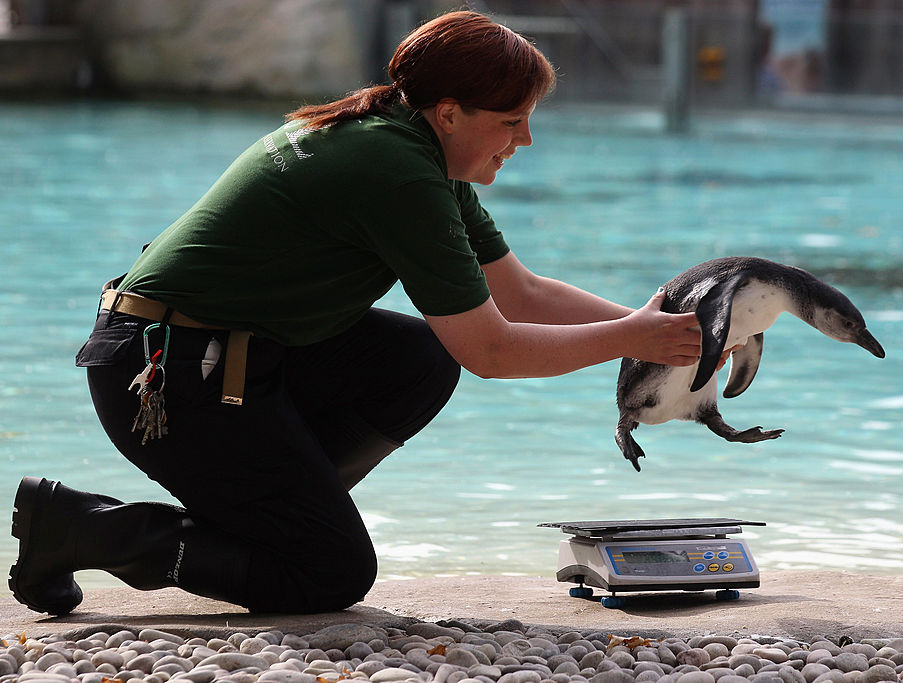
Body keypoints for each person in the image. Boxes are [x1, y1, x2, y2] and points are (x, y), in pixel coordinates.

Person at [9, 10, 716, 616]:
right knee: (330, 572)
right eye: (512, 121)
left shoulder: (410, 144)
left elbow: (521, 294)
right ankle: (81, 527)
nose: (524, 140)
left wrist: (650, 331)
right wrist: (632, 336)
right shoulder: (398, 171)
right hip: (165, 380)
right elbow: (493, 351)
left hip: (221, 357)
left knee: (417, 361)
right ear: (449, 113)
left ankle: (268, 518)